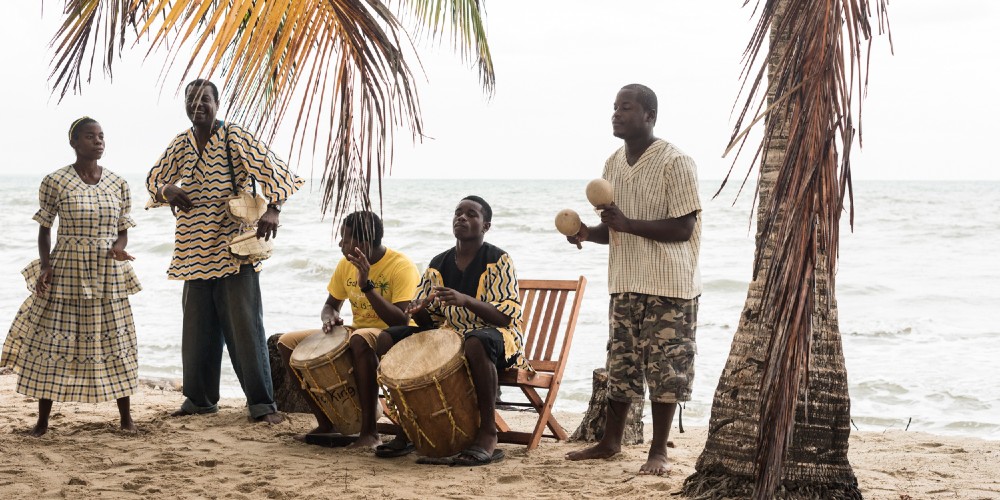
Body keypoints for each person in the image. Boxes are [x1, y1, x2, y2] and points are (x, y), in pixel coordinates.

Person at [146, 79, 304, 424]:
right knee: (197, 333)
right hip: (193, 250)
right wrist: (167, 189)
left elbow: (277, 173)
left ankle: (262, 406)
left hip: (234, 251)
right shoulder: (181, 143)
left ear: (218, 104)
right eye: (191, 99)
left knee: (245, 330)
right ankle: (199, 401)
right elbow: (153, 179)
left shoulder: (235, 136)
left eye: (205, 99)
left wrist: (274, 209)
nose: (197, 105)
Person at [564, 84, 702, 476]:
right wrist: (586, 234)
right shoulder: (612, 164)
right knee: (621, 365)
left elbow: (684, 228)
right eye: (614, 107)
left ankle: (658, 450)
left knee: (666, 369)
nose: (616, 114)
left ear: (649, 116)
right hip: (625, 281)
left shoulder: (676, 162)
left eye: (626, 108)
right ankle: (610, 442)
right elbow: (616, 230)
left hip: (669, 285)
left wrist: (628, 223)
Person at [357, 195, 526, 465]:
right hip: (449, 337)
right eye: (458, 213)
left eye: (472, 214)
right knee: (389, 339)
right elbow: (428, 324)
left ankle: (488, 432)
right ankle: (408, 428)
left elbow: (505, 316)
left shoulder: (498, 260)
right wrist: (419, 310)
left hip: (496, 339)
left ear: (486, 226)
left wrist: (465, 299)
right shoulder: (438, 263)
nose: (462, 217)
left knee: (475, 341)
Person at [1, 117, 142, 437]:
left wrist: (119, 249)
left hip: (107, 273)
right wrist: (46, 265)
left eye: (102, 136)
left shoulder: (118, 183)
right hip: (67, 270)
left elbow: (123, 232)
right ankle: (41, 423)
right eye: (90, 136)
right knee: (53, 342)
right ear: (74, 142)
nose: (99, 141)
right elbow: (45, 229)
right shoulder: (56, 181)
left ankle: (126, 419)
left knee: (116, 341)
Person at [276, 210, 419, 448]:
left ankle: (370, 432)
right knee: (287, 343)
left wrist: (366, 287)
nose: (341, 243)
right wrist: (329, 319)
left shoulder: (401, 266)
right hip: (357, 331)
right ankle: (326, 422)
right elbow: (331, 305)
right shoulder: (345, 265)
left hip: (391, 335)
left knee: (361, 339)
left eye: (346, 238)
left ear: (362, 244)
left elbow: (400, 321)